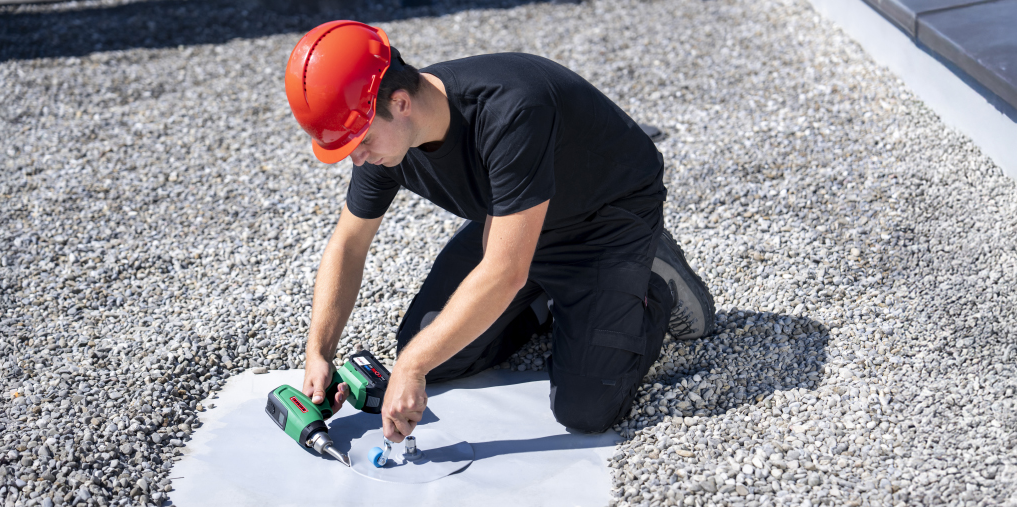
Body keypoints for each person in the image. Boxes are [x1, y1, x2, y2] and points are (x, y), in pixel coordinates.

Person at [286, 20, 715, 443]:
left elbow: (505, 270)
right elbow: (348, 245)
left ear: (400, 103)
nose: (357, 158)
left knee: (585, 409)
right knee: (431, 349)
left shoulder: (510, 109)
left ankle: (653, 280)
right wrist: (319, 352)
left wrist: (410, 368)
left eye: (359, 140)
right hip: (512, 220)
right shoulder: (386, 144)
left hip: (604, 220)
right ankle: (546, 304)